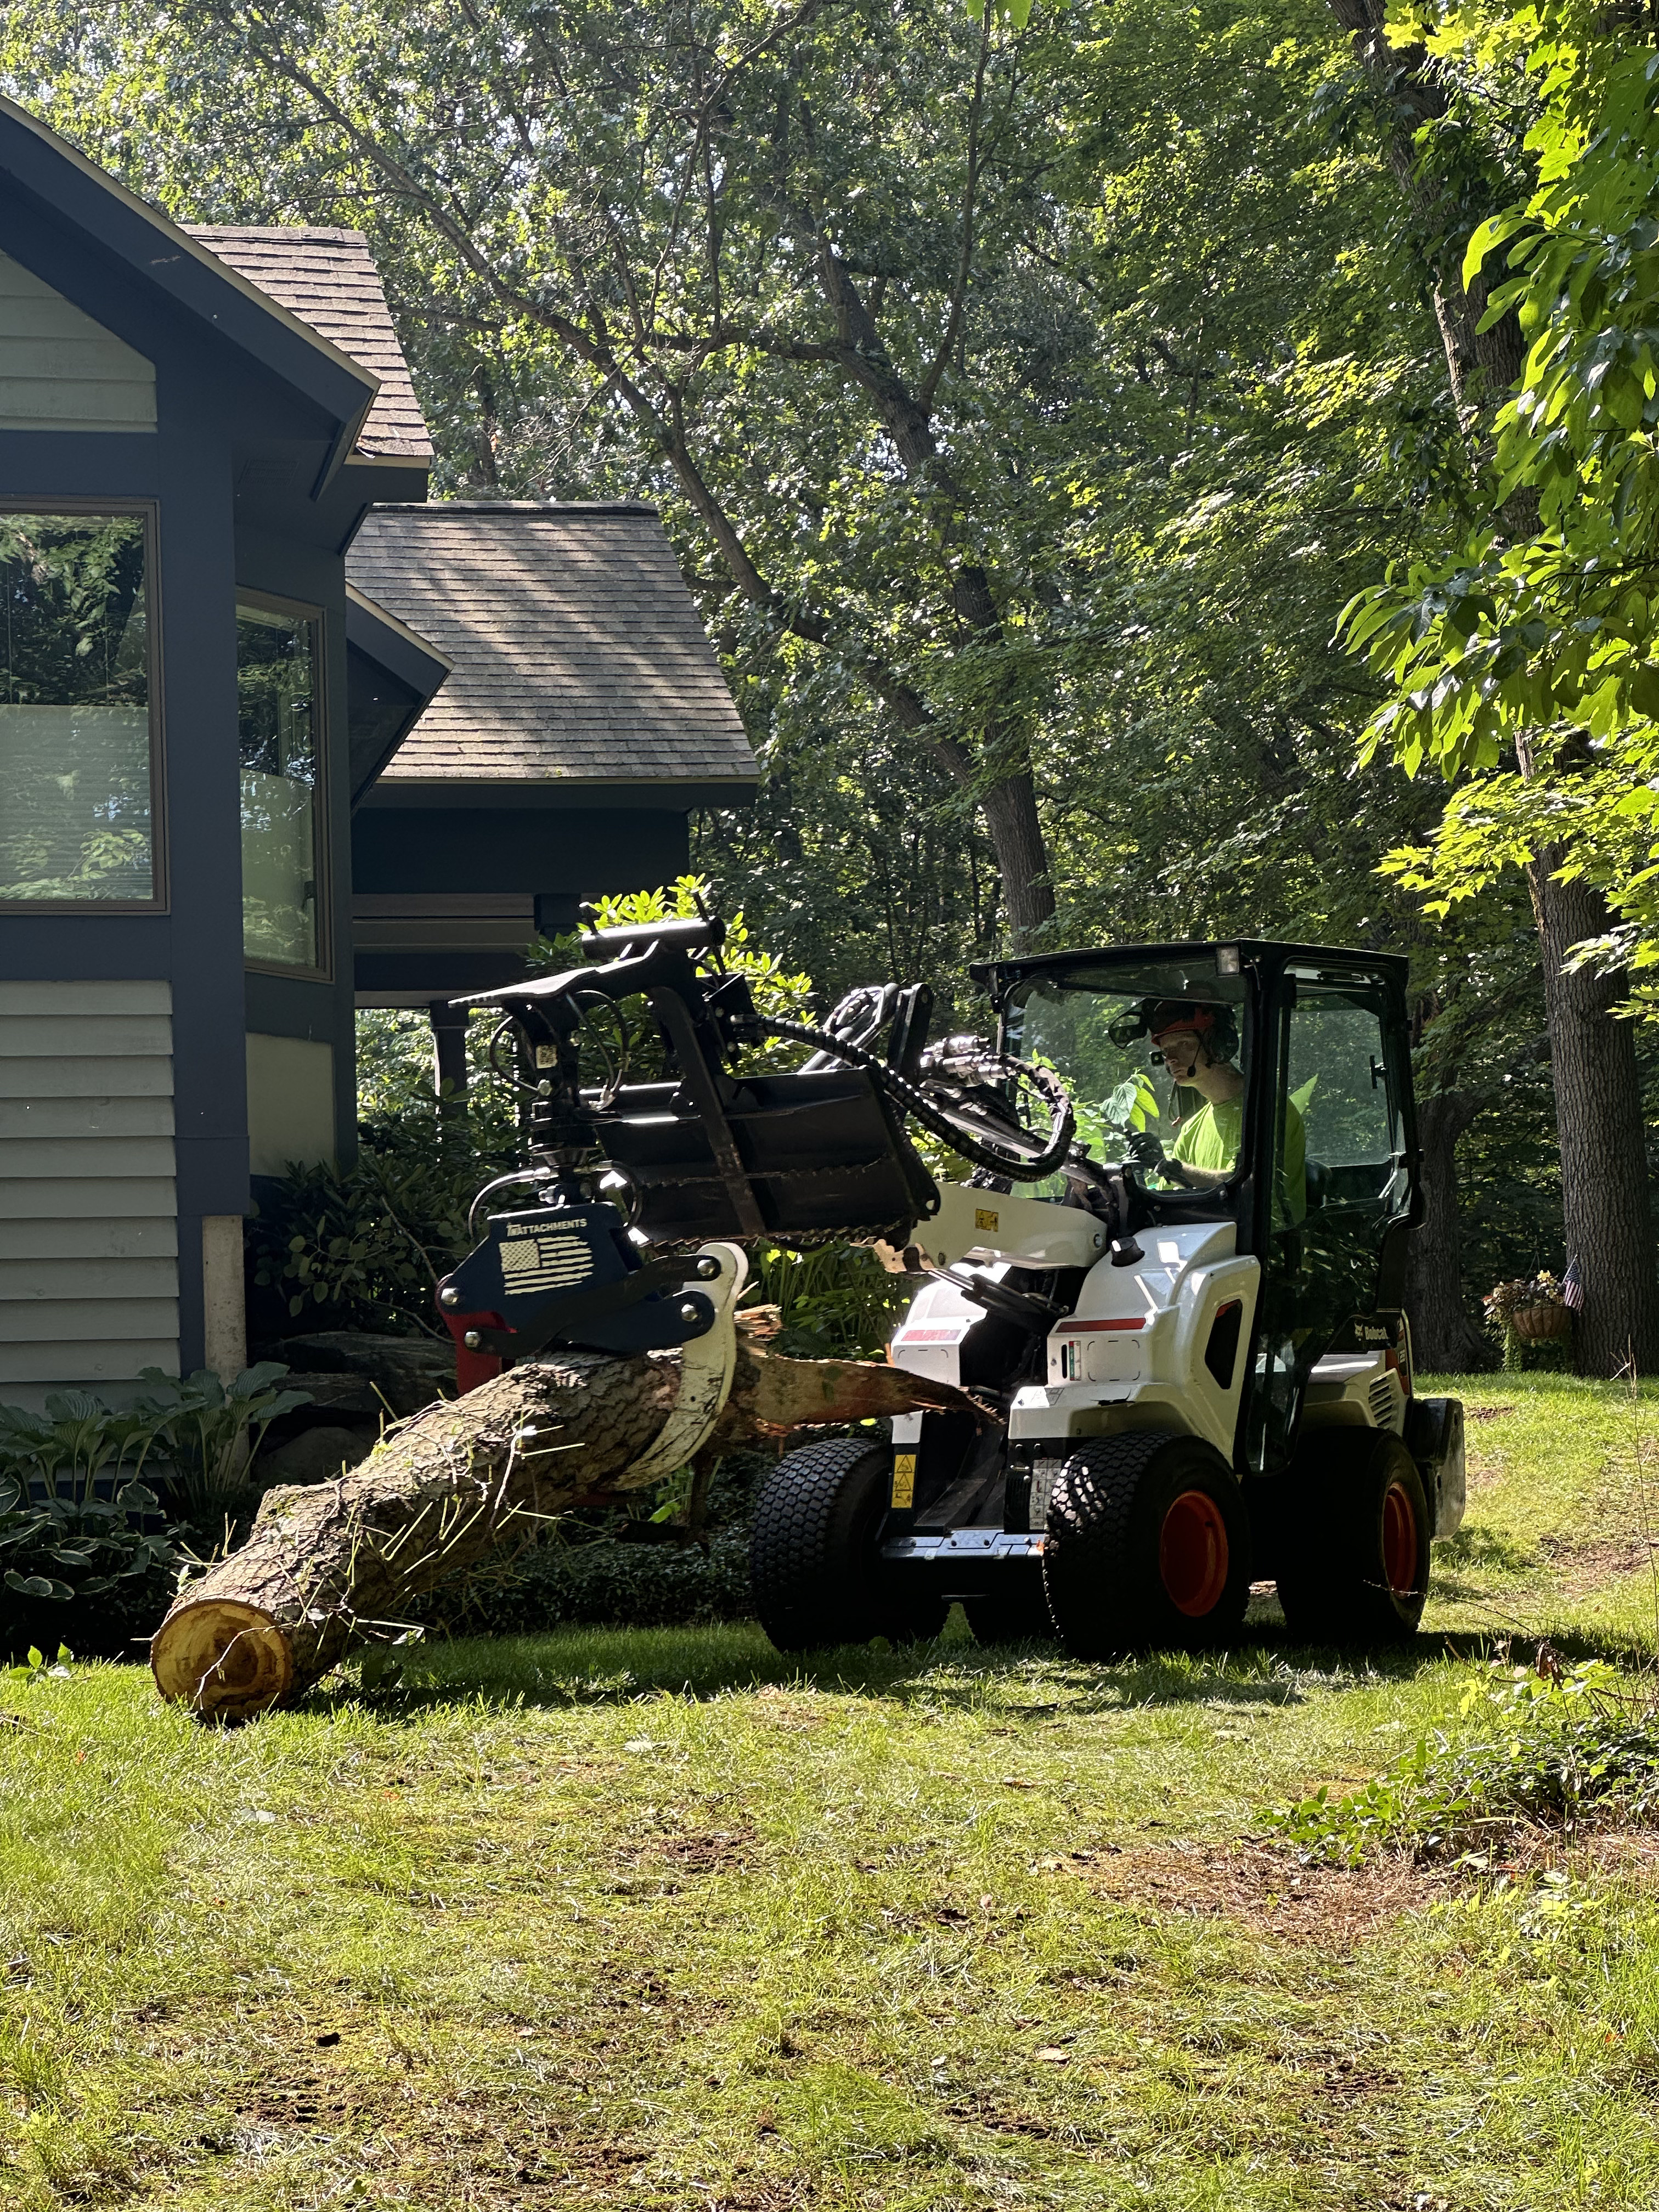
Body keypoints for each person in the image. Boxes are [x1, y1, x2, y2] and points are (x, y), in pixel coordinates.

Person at [1124, 1000, 1306, 1221]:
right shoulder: (1191, 1130)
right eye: (1165, 1050)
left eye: (1184, 1043)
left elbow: (1243, 1188)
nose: (1171, 1059)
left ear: (1219, 1046)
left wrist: (1170, 1168)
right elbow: (1170, 1201)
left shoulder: (1268, 1113)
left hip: (1267, 1239)